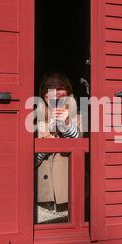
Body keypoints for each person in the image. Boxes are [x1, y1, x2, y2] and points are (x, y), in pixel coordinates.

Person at [35, 72, 82, 215]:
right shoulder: (34, 119)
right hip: (41, 201)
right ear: (43, 92)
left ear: (68, 92)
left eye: (60, 87)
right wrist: (45, 146)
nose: (54, 92)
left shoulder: (78, 117)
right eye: (49, 87)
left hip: (70, 199)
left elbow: (80, 149)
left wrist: (66, 123)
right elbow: (28, 162)